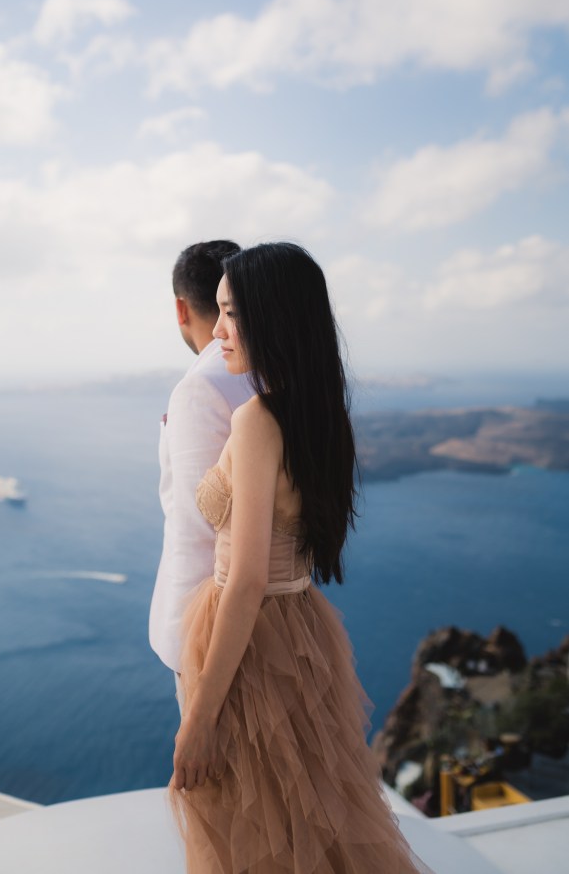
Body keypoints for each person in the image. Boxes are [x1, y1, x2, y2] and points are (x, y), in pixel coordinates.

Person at [169, 243, 435, 873]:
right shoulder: (319, 412)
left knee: (253, 836)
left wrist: (199, 717)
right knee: (306, 823)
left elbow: (246, 579)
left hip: (249, 640)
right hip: (301, 630)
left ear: (273, 318)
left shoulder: (257, 419)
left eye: (233, 314)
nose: (220, 330)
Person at [149, 240, 253, 712]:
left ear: (180, 307)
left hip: (206, 628)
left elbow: (201, 525)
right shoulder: (274, 372)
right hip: (277, 614)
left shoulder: (202, 385)